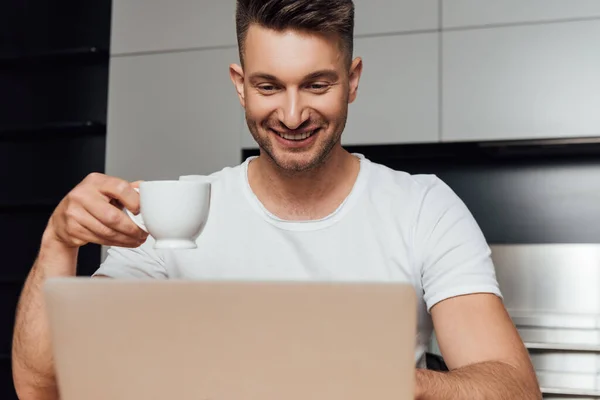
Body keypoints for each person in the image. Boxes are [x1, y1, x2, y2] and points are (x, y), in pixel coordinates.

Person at [12, 0, 541, 399]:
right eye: (269, 87)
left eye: (316, 85)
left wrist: (387, 382)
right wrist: (57, 243)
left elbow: (514, 387)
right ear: (239, 84)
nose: (291, 115)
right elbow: (45, 387)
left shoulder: (423, 206)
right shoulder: (171, 212)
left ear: (352, 81)